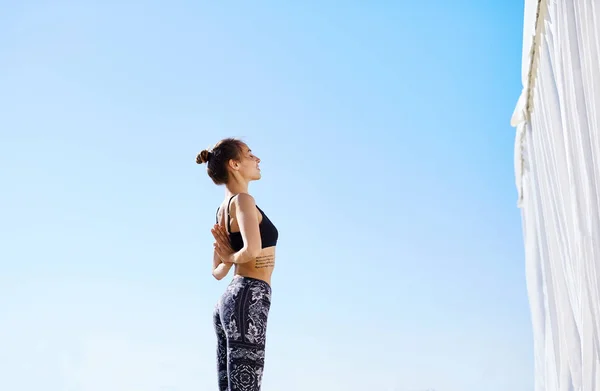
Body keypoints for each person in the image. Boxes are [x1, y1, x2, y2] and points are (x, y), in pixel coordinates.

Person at [196, 138, 279, 391]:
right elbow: (251, 250)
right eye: (250, 154)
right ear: (234, 164)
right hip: (249, 298)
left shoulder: (222, 209)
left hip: (231, 300)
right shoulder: (243, 201)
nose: (257, 159)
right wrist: (233, 257)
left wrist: (230, 257)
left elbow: (217, 272)